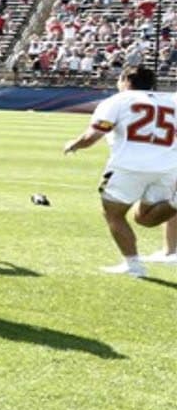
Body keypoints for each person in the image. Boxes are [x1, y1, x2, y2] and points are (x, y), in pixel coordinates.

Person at [62, 65, 177, 278]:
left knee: (113, 213)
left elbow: (93, 136)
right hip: (167, 167)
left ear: (125, 80)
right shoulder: (172, 100)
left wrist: (74, 144)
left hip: (128, 166)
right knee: (145, 218)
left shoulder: (117, 101)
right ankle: (174, 203)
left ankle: (133, 265)